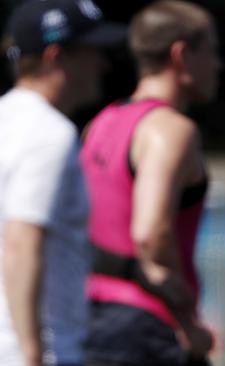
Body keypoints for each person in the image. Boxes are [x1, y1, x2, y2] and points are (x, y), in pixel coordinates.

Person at [79, 1, 220, 365]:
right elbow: (149, 235)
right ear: (181, 54)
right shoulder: (171, 130)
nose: (217, 66)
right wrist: (188, 322)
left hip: (88, 315)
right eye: (211, 52)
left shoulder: (101, 124)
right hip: (145, 326)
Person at [0, 1, 125, 365]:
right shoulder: (48, 132)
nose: (102, 64)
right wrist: (32, 353)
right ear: (56, 56)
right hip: (37, 349)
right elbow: (23, 241)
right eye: (91, 52)